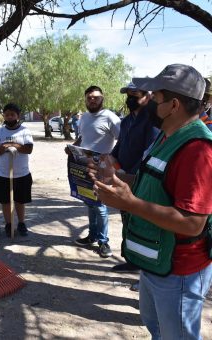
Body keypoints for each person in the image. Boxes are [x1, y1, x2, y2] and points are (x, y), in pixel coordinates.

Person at [93, 64, 212, 339]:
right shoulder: (167, 137)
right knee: (155, 326)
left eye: (155, 97)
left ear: (173, 105)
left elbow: (193, 224)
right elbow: (153, 183)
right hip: (156, 263)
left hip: (179, 271)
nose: (149, 103)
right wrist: (118, 179)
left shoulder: (198, 150)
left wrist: (130, 203)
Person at [110, 82, 159, 273]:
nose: (131, 99)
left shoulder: (153, 121)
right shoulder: (126, 121)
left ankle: (143, 265)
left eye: (135, 94)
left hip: (141, 180)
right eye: (128, 95)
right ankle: (131, 259)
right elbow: (119, 146)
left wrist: (132, 174)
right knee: (126, 220)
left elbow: (150, 152)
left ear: (147, 96)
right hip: (123, 179)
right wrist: (112, 158)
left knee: (141, 224)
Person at [73, 85, 121, 258]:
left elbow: (122, 140)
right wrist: (73, 147)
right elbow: (82, 137)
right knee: (89, 202)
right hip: (84, 167)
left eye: (95, 97)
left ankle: (103, 241)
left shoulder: (110, 117)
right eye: (89, 97)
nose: (92, 100)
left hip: (102, 170)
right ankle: (92, 236)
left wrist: (110, 159)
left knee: (100, 206)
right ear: (85, 99)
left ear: (102, 98)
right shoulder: (84, 117)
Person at [0, 103, 33, 237]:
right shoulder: (0, 132)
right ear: (4, 116)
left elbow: (29, 149)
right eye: (7, 115)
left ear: (18, 116)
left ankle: (21, 223)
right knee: (5, 201)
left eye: (12, 115)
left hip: (22, 173)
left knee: (20, 200)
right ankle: (9, 224)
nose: (9, 117)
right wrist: (3, 148)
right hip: (3, 173)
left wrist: (14, 145)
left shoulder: (25, 131)